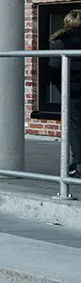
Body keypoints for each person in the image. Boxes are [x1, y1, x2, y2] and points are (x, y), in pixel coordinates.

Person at [52, 10, 81, 177]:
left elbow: (54, 69)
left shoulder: (61, 41)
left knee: (76, 129)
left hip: (74, 91)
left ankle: (78, 164)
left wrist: (60, 86)